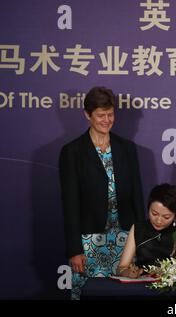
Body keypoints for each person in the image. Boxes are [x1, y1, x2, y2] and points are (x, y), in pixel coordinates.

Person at [59, 86, 145, 299]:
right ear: (87, 115)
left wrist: (141, 241)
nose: (107, 120)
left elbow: (137, 196)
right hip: (89, 241)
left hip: (125, 238)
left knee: (125, 293)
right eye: (100, 115)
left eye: (110, 114)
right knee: (92, 293)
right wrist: (74, 249)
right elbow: (70, 203)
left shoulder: (127, 148)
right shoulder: (72, 152)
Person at [116, 184, 176, 278]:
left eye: (166, 217)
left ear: (175, 215)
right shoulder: (139, 228)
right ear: (148, 208)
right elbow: (122, 267)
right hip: (141, 285)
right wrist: (128, 273)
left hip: (171, 287)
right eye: (154, 214)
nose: (159, 221)